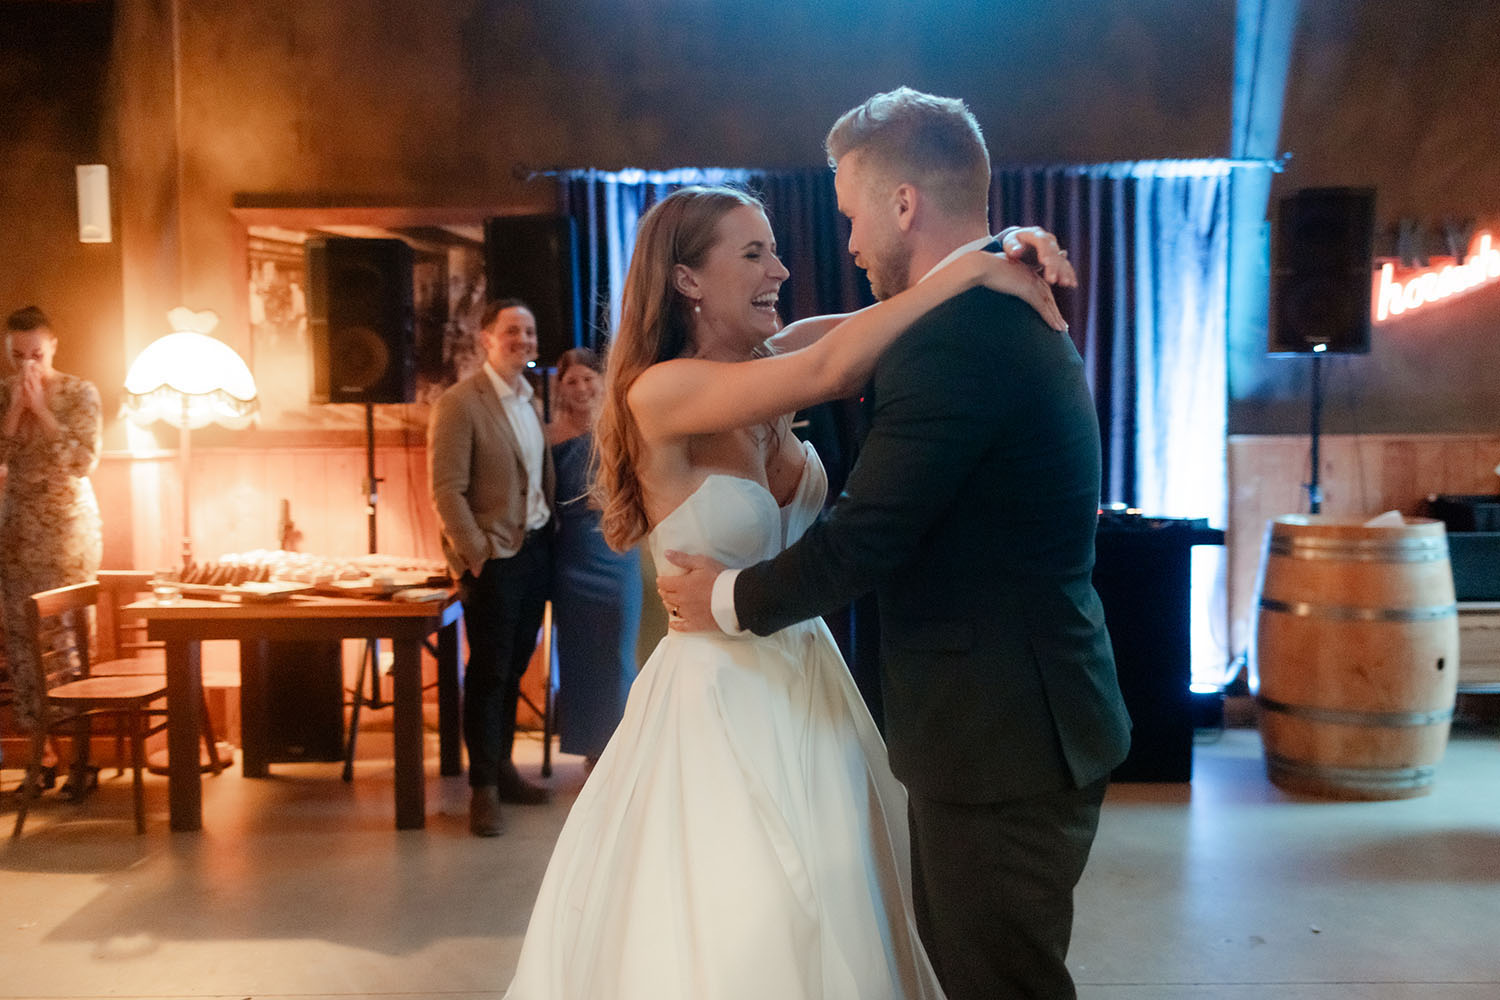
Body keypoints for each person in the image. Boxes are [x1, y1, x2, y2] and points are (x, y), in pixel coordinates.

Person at [503, 184, 1070, 999]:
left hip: (811, 684)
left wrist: (1010, 244)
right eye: (754, 253)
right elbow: (834, 367)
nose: (783, 267)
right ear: (688, 280)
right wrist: (978, 268)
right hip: (717, 704)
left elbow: (908, 309)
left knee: (845, 907)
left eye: (775, 248)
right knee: (750, 924)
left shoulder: (776, 358)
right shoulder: (660, 392)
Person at [659, 89, 1133, 1000]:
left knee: (996, 979)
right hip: (987, 718)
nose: (840, 248)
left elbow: (865, 538)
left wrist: (725, 599)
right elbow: (829, 360)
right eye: (753, 253)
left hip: (1001, 733)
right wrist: (996, 251)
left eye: (847, 216)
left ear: (902, 203)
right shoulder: (960, 318)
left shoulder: (958, 336)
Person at [428, 298, 554, 838]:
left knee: (515, 665)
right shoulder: (460, 403)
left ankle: (503, 771)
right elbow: (446, 490)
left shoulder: (530, 398)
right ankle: (482, 789)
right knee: (488, 674)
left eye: (528, 331)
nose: (522, 340)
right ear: (486, 338)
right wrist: (475, 552)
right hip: (494, 560)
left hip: (536, 551)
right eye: (511, 331)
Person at [1, 306, 103, 794]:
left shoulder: (80, 393)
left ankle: (83, 761)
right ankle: (41, 758)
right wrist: (15, 413)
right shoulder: (2, 395)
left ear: (53, 348)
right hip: (16, 533)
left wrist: (41, 411)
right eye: (17, 355)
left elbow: (83, 461)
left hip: (66, 534)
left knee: (69, 644)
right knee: (22, 648)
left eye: (36, 354)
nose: (27, 366)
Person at [545, 347, 642, 769]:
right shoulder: (548, 434)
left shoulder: (623, 427)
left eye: (589, 378)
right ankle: (590, 752)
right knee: (581, 658)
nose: (582, 387)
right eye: (572, 381)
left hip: (617, 550)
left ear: (602, 380)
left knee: (618, 652)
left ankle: (623, 749)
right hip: (572, 558)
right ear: (560, 387)